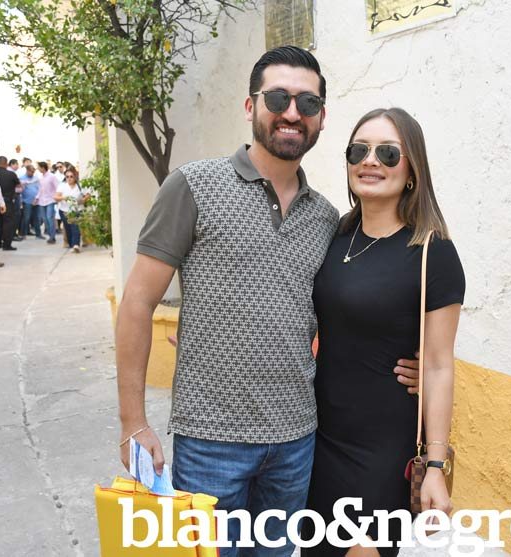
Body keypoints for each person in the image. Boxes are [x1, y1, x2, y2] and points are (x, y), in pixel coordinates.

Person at [115, 46, 421, 557]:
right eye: (278, 98)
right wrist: (133, 422)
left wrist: (416, 366)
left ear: (322, 117)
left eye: (307, 102)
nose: (292, 112)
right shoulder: (193, 186)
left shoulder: (326, 218)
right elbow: (137, 303)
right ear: (250, 105)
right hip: (210, 441)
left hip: (297, 444)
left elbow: (347, 311)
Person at [302, 108, 464, 556]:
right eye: (359, 150)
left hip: (381, 446)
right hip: (317, 437)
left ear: (412, 170)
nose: (370, 160)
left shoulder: (432, 252)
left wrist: (435, 465)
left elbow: (438, 365)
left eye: (388, 152)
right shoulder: (335, 237)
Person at [54, 169, 88, 253]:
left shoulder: (80, 186)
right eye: (67, 177)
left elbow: (87, 194)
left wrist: (83, 200)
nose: (69, 178)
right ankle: (71, 244)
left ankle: (76, 245)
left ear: (75, 177)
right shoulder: (62, 186)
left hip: (77, 210)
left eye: (71, 176)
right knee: (68, 228)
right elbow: (55, 197)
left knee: (75, 227)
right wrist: (64, 198)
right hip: (64, 211)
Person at [0, 156, 20, 251]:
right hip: (8, 201)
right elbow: (18, 185)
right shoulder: (11, 174)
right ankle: (7, 244)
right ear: (6, 163)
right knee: (8, 223)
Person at [35, 161, 59, 244]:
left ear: (43, 167)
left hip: (50, 200)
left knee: (50, 218)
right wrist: (36, 198)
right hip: (41, 201)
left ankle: (52, 237)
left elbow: (57, 187)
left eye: (39, 167)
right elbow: (40, 189)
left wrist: (57, 197)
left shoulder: (52, 176)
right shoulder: (40, 177)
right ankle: (50, 235)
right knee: (45, 219)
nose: (38, 169)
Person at [18, 165, 42, 238]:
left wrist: (37, 198)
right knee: (26, 218)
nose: (32, 173)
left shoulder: (36, 178)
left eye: (33, 172)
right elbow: (19, 191)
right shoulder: (21, 178)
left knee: (37, 218)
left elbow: (39, 188)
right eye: (31, 171)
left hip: (36, 201)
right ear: (27, 170)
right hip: (27, 201)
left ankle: (38, 234)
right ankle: (23, 234)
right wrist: (21, 201)